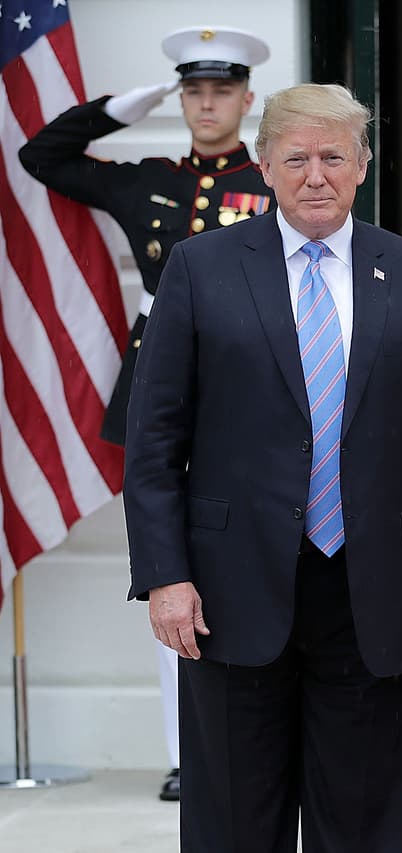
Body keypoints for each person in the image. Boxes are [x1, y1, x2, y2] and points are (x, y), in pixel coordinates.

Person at [123, 83, 402, 852]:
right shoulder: (200, 268)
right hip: (226, 596)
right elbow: (153, 439)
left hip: (372, 598)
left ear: (362, 165)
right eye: (295, 158)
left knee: (357, 826)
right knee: (230, 827)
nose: (314, 175)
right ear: (264, 165)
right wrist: (164, 574)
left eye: (332, 156)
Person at [19, 25, 274, 802]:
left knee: (252, 563)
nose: (205, 103)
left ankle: (252, 732)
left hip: (246, 397)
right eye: (192, 90)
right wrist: (117, 110)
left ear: (245, 98)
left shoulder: (272, 185)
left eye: (220, 89)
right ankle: (184, 752)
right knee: (167, 571)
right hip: (163, 396)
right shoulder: (150, 180)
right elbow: (43, 159)